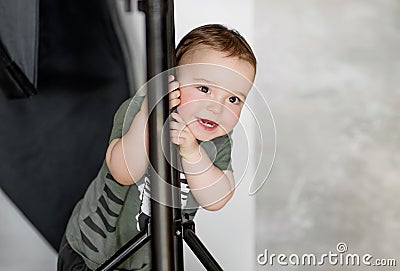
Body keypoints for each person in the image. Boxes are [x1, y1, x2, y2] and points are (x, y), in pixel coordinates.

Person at [58, 24, 257, 271]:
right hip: (95, 252)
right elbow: (123, 172)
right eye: (204, 89)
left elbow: (216, 199)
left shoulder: (218, 140)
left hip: (151, 260)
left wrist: (193, 153)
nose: (218, 107)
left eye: (233, 99)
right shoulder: (138, 110)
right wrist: (146, 115)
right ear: (171, 82)